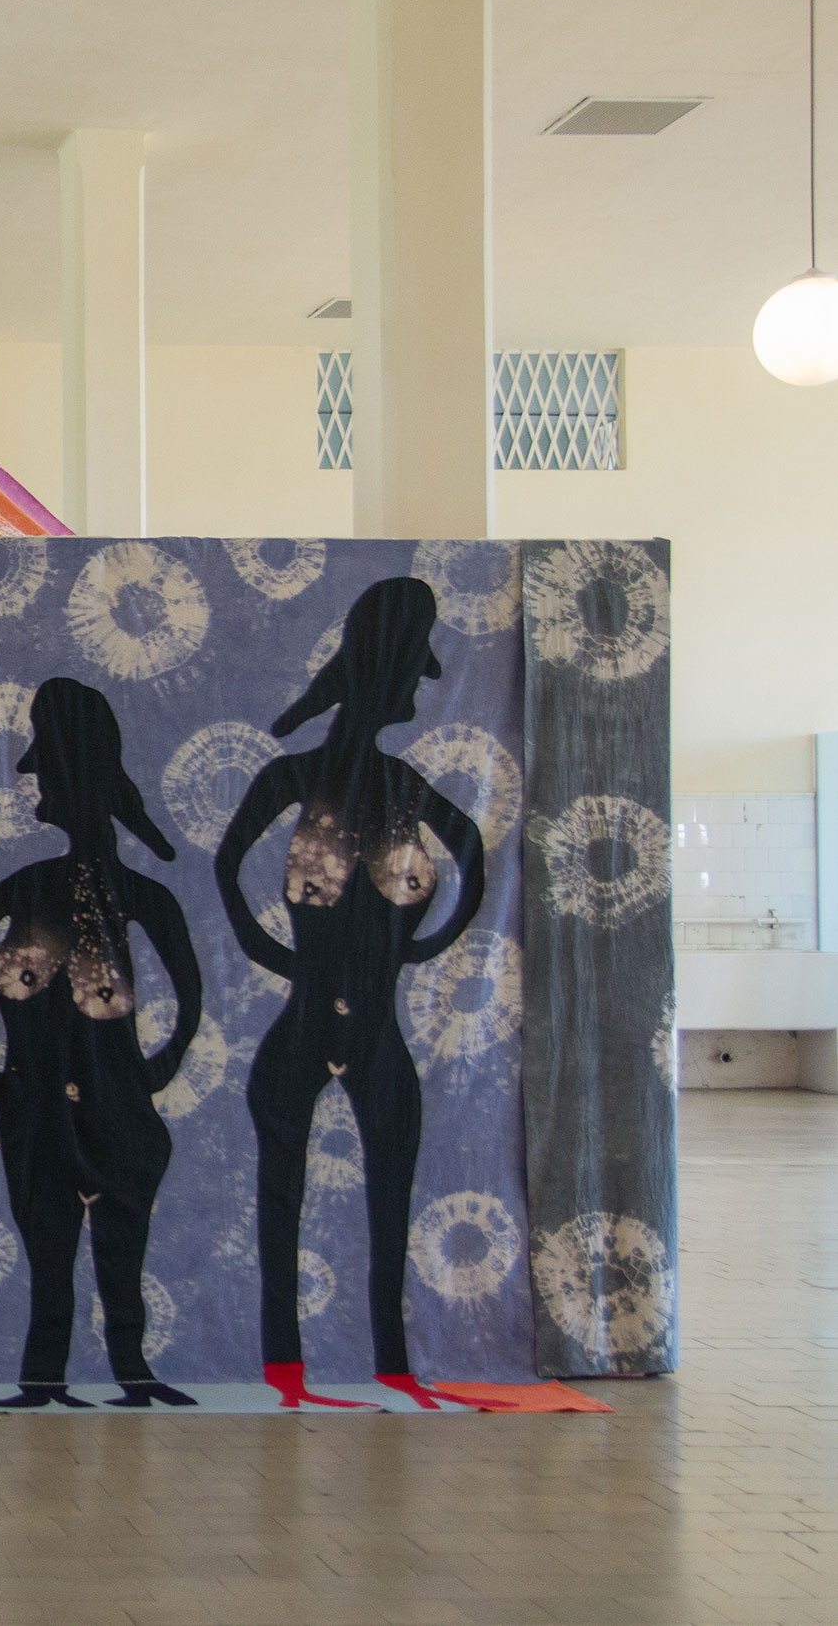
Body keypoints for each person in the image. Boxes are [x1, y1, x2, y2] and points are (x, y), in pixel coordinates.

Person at [212, 576, 505, 1412]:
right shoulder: (296, 776)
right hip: (304, 1024)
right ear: (388, 669)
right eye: (416, 664)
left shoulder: (405, 787)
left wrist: (422, 946)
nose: (425, 680)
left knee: (389, 1211)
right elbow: (227, 860)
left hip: (378, 1028)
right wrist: (268, 949)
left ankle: (392, 1366)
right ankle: (285, 1371)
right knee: (282, 1202)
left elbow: (473, 851)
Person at [0, 678, 203, 1409]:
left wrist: (153, 1069)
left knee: (118, 1252)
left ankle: (129, 1370)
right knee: (51, 1257)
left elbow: (191, 994)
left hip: (113, 1111)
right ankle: (47, 1377)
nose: (43, 784)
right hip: (39, 1110)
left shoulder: (136, 897)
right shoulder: (27, 889)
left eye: (48, 768)